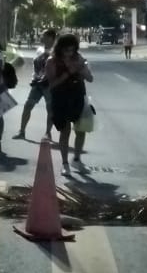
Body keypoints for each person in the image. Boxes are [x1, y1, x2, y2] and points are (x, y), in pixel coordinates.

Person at [45, 33, 93, 176]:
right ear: (60, 49)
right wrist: (68, 72)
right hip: (60, 98)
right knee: (64, 131)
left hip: (78, 97)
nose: (69, 53)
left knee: (81, 130)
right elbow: (52, 84)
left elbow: (90, 78)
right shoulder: (51, 61)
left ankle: (77, 159)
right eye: (66, 50)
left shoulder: (79, 58)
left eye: (72, 50)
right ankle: (65, 163)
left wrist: (82, 68)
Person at [14, 28, 56, 141]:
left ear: (52, 38)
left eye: (45, 36)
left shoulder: (56, 51)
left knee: (50, 109)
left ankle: (48, 133)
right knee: (28, 106)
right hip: (37, 84)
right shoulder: (39, 50)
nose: (42, 38)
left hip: (49, 85)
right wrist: (34, 78)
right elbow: (36, 66)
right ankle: (21, 131)